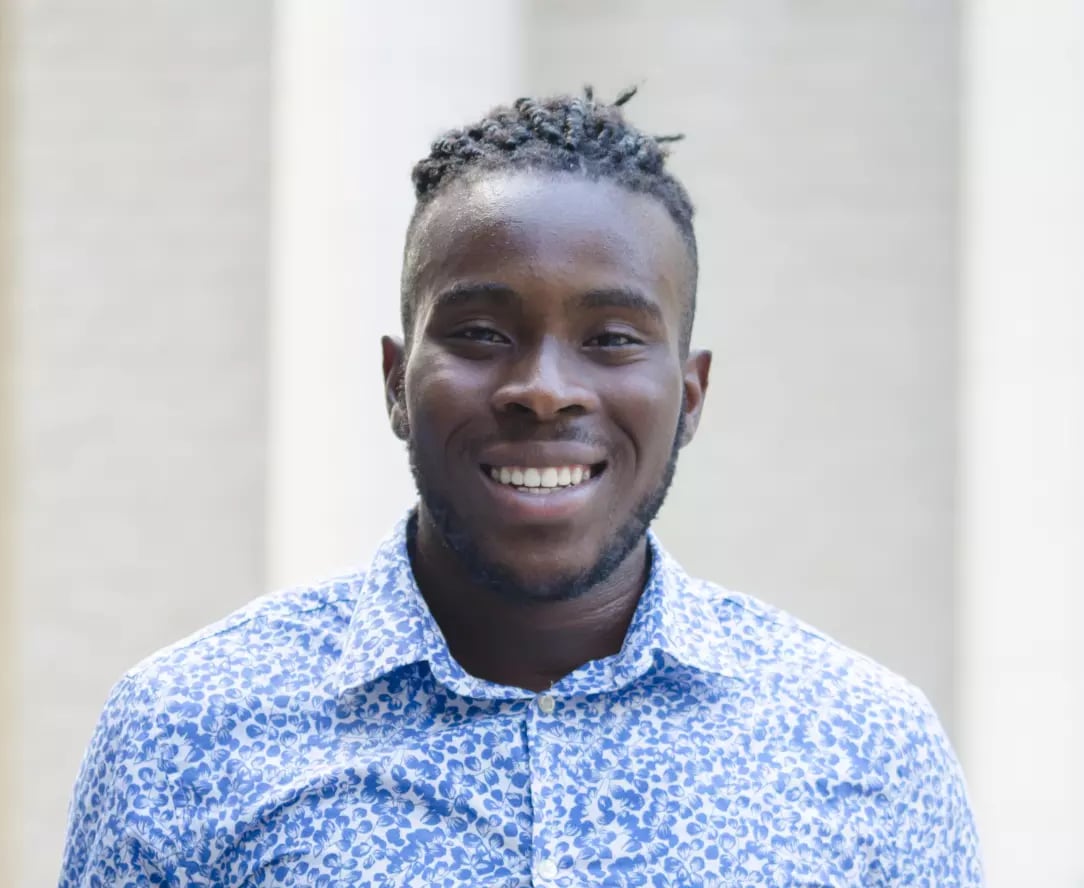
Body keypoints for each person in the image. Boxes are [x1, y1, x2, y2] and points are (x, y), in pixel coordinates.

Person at [60, 88, 983, 887]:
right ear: (395, 381)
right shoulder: (183, 732)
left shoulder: (867, 747)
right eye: (481, 333)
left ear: (690, 395)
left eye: (613, 337)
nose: (544, 389)